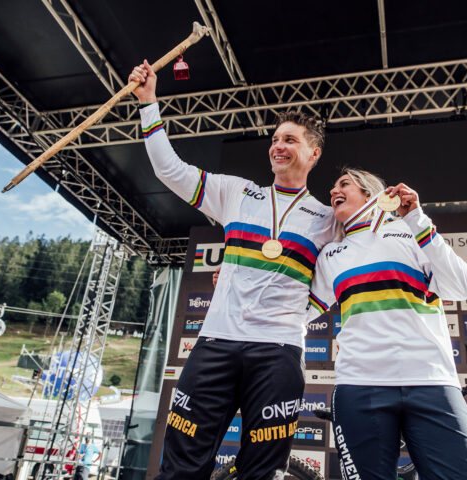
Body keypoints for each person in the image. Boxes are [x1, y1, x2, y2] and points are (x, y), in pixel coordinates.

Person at [129, 60, 337, 479]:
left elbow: (341, 277)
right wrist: (148, 103)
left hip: (278, 351)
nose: (278, 146)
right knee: (182, 464)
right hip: (216, 342)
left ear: (313, 153)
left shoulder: (327, 218)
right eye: (275, 139)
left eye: (290, 140)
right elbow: (170, 170)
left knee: (261, 470)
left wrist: (300, 313)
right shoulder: (236, 192)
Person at [307, 168, 467, 480]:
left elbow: (461, 287)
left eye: (344, 184)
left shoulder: (409, 231)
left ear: (369, 192)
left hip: (430, 381)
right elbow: (300, 311)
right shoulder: (331, 254)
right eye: (333, 187)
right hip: (360, 384)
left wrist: (417, 219)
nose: (334, 191)